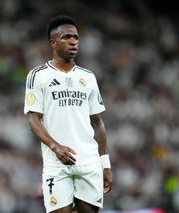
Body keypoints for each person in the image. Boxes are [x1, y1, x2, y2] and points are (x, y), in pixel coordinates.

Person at [24, 15, 113, 213]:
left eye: (76, 37)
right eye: (66, 37)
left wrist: (104, 164)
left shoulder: (88, 77)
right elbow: (33, 119)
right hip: (57, 164)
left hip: (89, 162)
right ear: (53, 42)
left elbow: (97, 123)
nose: (73, 41)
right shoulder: (38, 76)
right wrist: (56, 147)